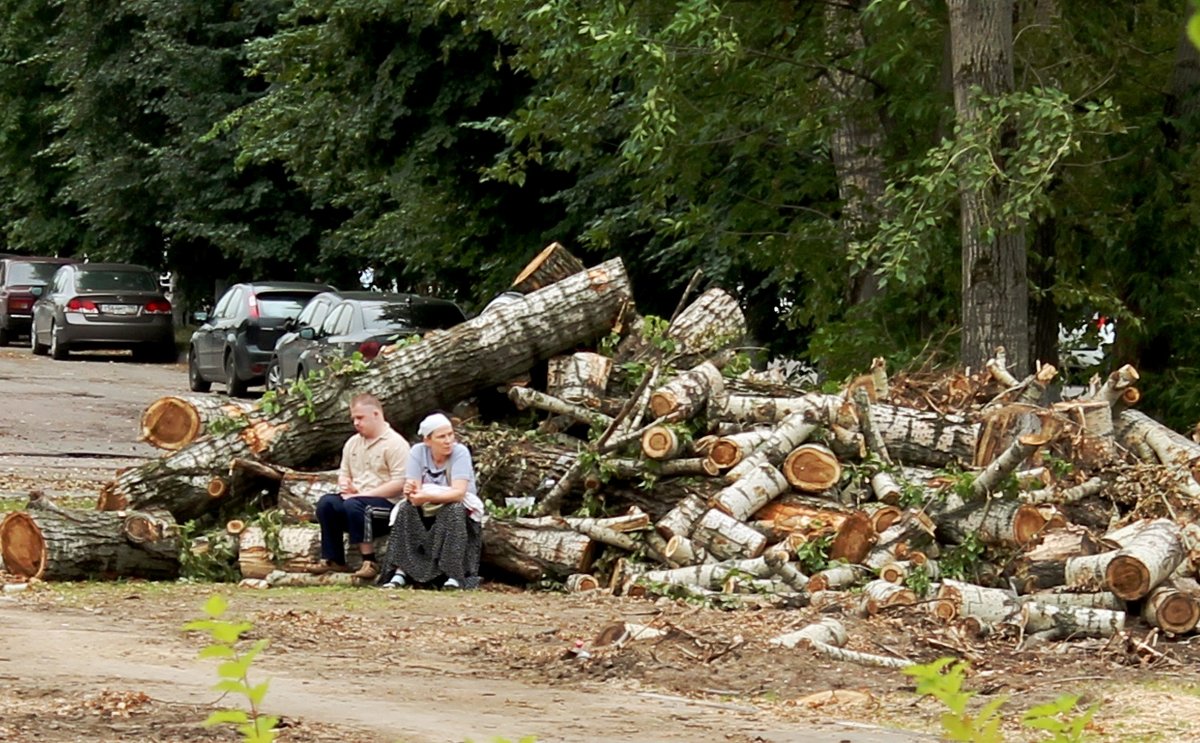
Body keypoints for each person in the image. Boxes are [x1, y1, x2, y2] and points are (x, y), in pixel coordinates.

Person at [379, 412, 483, 590]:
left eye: (450, 435)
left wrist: (427, 496)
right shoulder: (417, 452)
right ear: (428, 440)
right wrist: (410, 491)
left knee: (454, 510)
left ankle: (454, 574)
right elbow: (414, 490)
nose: (448, 440)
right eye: (442, 437)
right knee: (406, 509)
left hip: (454, 513)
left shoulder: (460, 453)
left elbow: (458, 493)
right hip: (427, 510)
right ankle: (401, 571)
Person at [312, 393, 410, 580]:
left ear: (376, 414)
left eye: (360, 418)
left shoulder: (395, 444)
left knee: (354, 505)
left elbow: (400, 483)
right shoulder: (352, 443)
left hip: (387, 507)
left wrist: (363, 495)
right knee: (327, 503)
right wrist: (344, 483)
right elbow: (345, 472)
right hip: (356, 503)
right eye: (353, 418)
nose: (356, 423)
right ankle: (333, 558)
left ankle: (369, 560)